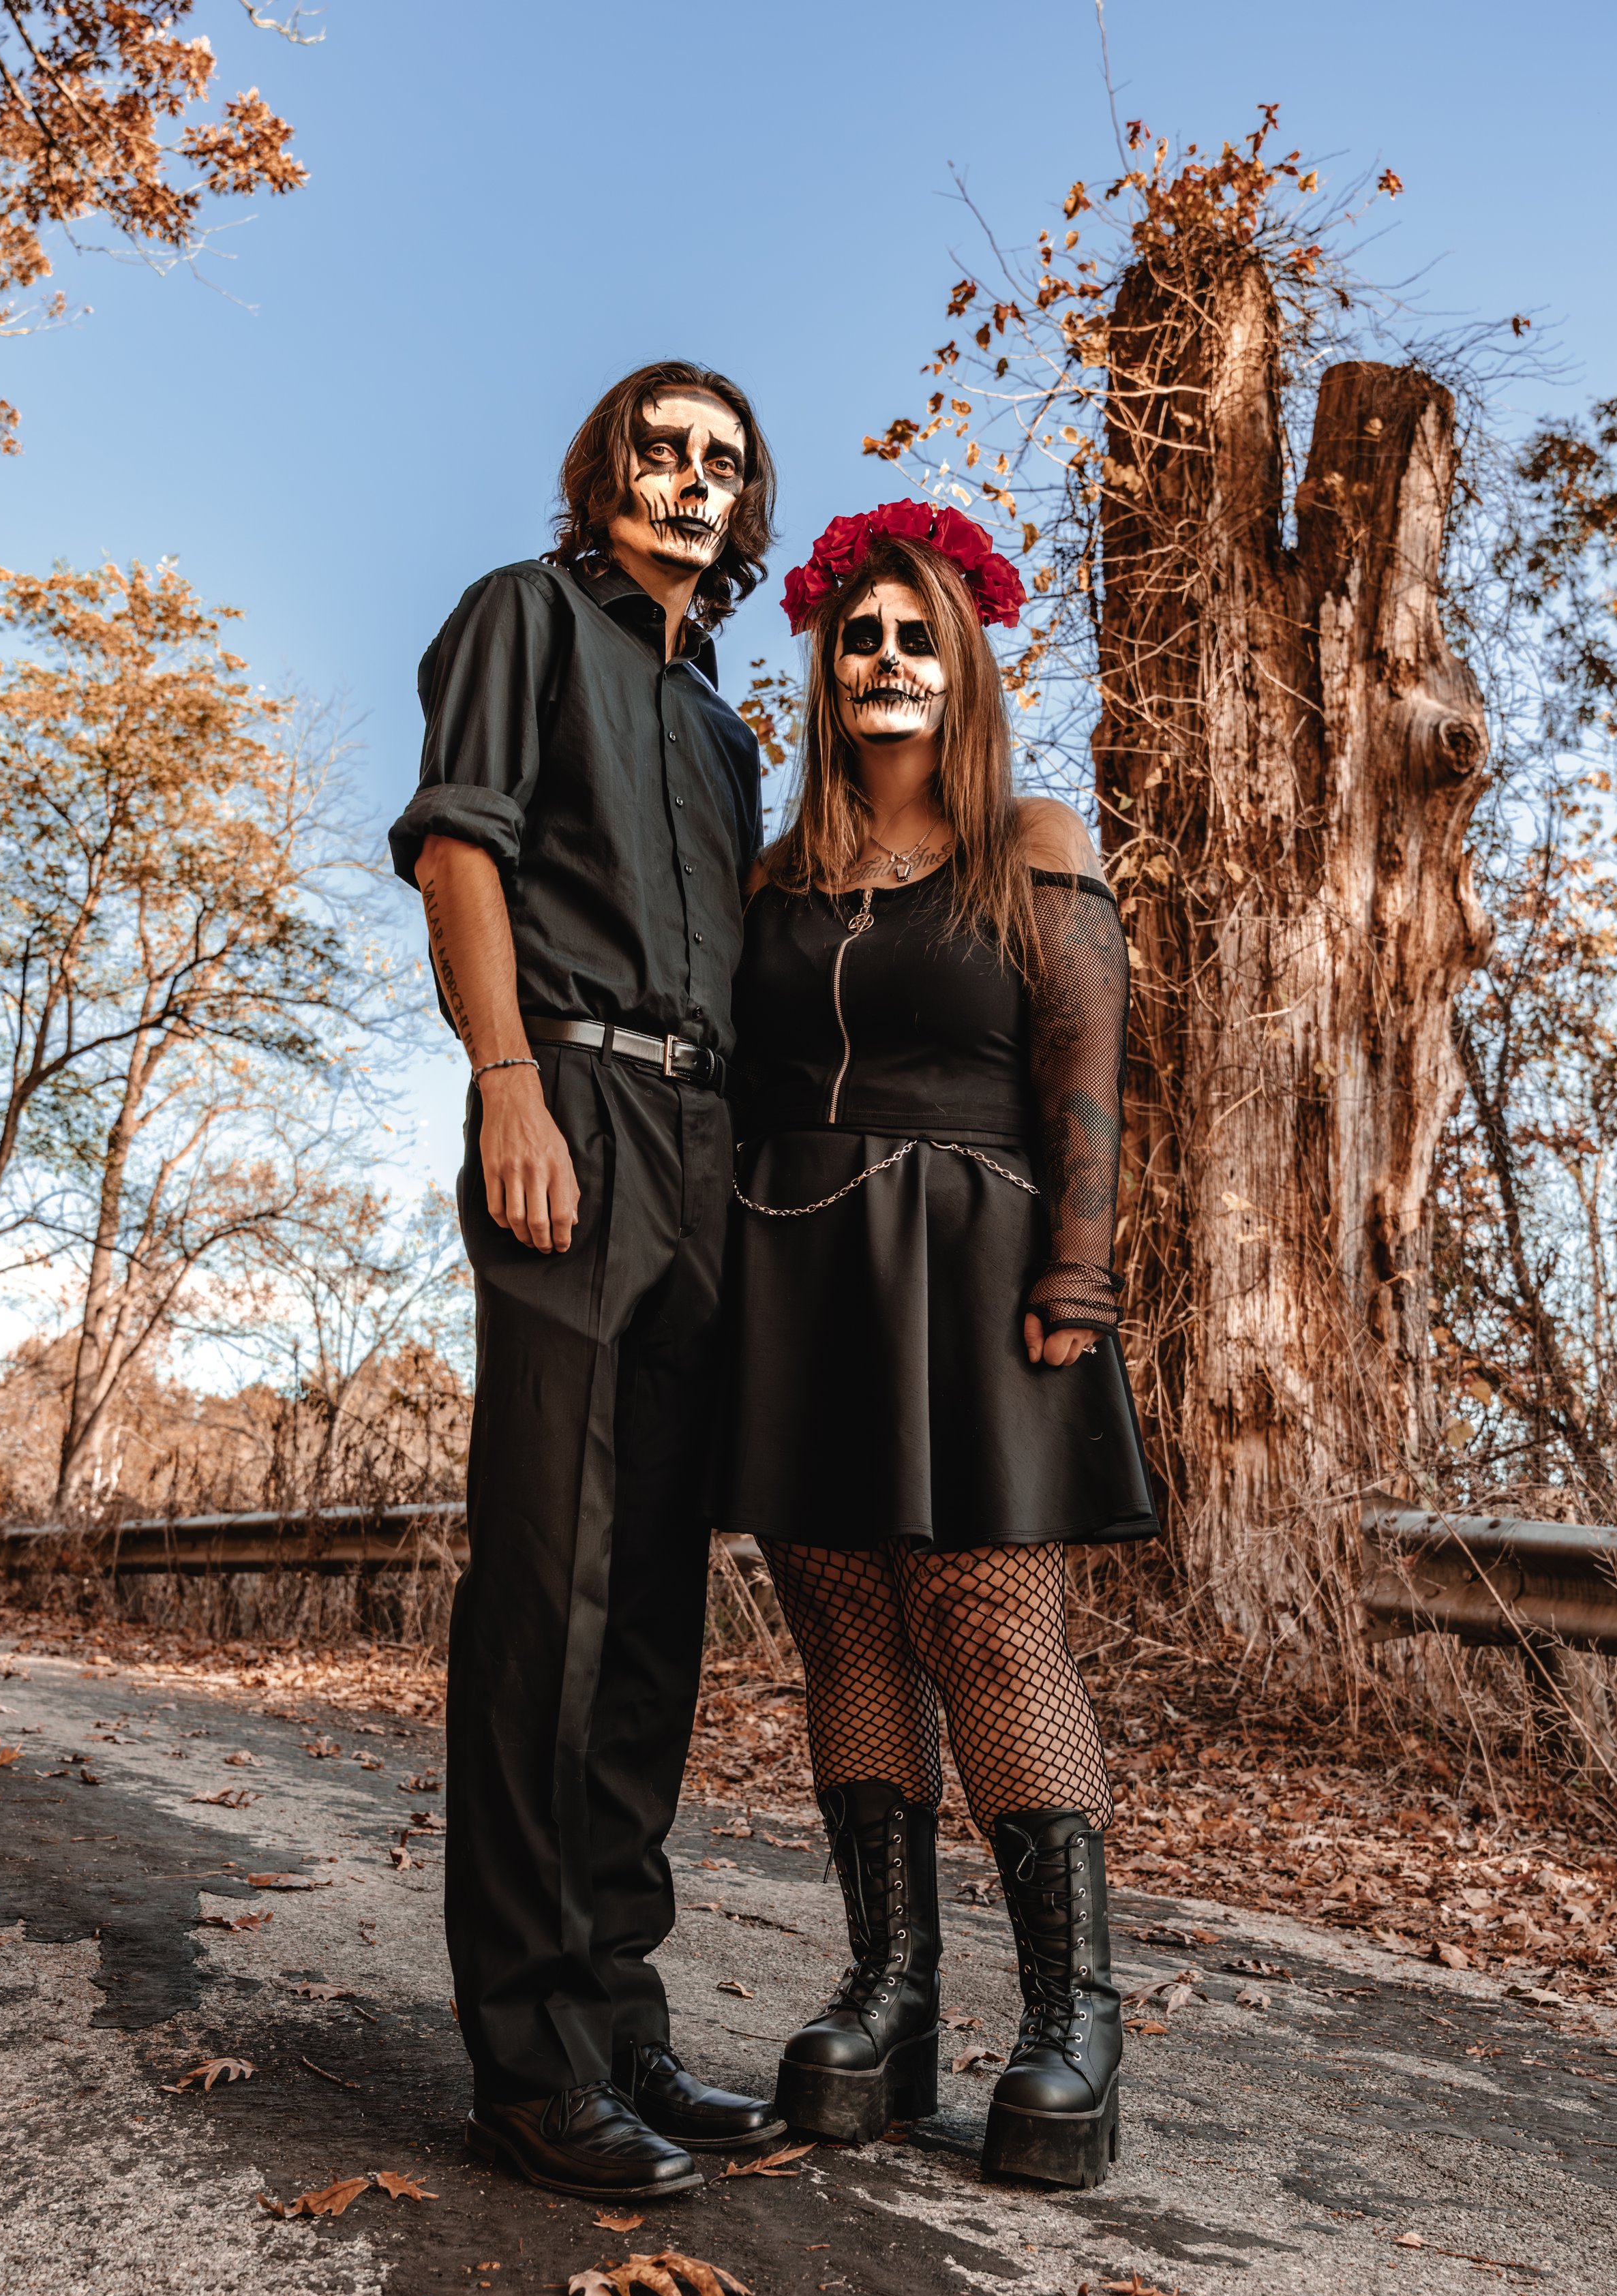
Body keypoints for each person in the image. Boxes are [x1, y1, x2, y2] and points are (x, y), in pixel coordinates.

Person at [720, 500, 1158, 2190]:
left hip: (979, 1260)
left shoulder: (1033, 841)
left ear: (959, 660)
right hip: (797, 1267)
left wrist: (1080, 1271)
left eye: (915, 635)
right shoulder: (769, 873)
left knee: (985, 1610)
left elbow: (1086, 1069)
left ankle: (1070, 2019)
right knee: (839, 1611)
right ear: (824, 665)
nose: (884, 658)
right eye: (857, 634)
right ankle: (889, 1996)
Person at [389, 362, 787, 2202]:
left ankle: (620, 2015)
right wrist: (508, 1089)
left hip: (709, 1160)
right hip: (568, 1109)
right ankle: (525, 2061)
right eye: (662, 448)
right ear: (604, 471)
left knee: (648, 1611)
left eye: (721, 460)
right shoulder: (519, 618)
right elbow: (461, 849)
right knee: (547, 1592)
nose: (689, 481)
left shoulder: (725, 734)